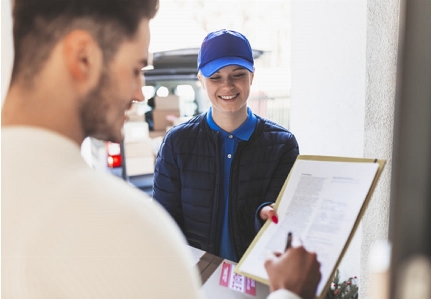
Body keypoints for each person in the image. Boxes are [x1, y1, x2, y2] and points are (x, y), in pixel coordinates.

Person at [1, 0, 320, 298]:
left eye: (237, 75)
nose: (141, 93)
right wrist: (289, 292)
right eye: (136, 69)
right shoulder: (118, 226)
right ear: (83, 58)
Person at [153, 29, 300, 262]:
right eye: (215, 77)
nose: (227, 86)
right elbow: (164, 223)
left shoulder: (283, 145)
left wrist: (266, 215)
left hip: (256, 279)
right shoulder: (177, 143)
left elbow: (280, 220)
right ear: (200, 80)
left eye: (238, 75)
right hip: (197, 281)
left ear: (252, 76)